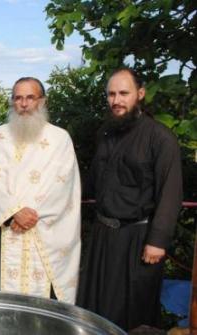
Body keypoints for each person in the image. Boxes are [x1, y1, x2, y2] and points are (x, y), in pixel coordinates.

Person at [77, 68, 183, 331]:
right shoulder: (105, 133)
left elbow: (171, 192)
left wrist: (157, 241)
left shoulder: (160, 138)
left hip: (139, 240)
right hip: (103, 236)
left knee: (132, 313)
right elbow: (90, 184)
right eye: (111, 94)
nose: (117, 100)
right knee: (95, 308)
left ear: (141, 94)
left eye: (124, 93)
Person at [0, 77, 81, 304]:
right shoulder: (0, 136)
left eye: (30, 97)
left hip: (44, 232)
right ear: (12, 102)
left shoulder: (59, 138)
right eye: (18, 98)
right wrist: (14, 212)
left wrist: (28, 215)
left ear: (42, 102)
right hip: (6, 230)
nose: (23, 104)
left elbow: (63, 185)